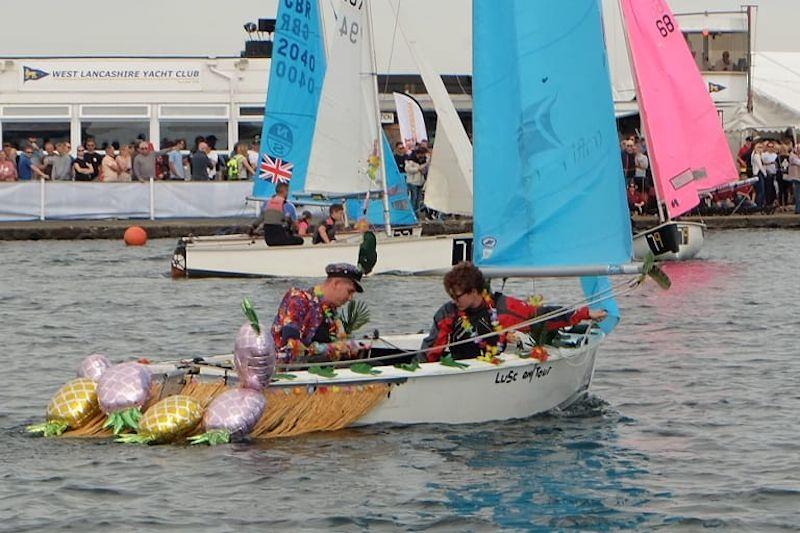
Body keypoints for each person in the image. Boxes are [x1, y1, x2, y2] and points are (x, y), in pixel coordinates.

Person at [420, 263, 607, 362]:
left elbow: (542, 317)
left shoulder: (504, 309)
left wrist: (584, 313)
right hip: (461, 369)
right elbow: (432, 348)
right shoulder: (448, 312)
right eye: (450, 295)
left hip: (492, 370)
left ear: (474, 291)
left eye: (457, 295)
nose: (453, 300)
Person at [271, 263, 369, 362]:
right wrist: (331, 348)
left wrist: (353, 347)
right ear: (336, 284)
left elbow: (341, 340)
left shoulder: (331, 311)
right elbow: (291, 346)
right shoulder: (298, 300)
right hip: (287, 369)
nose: (350, 298)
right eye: (350, 291)